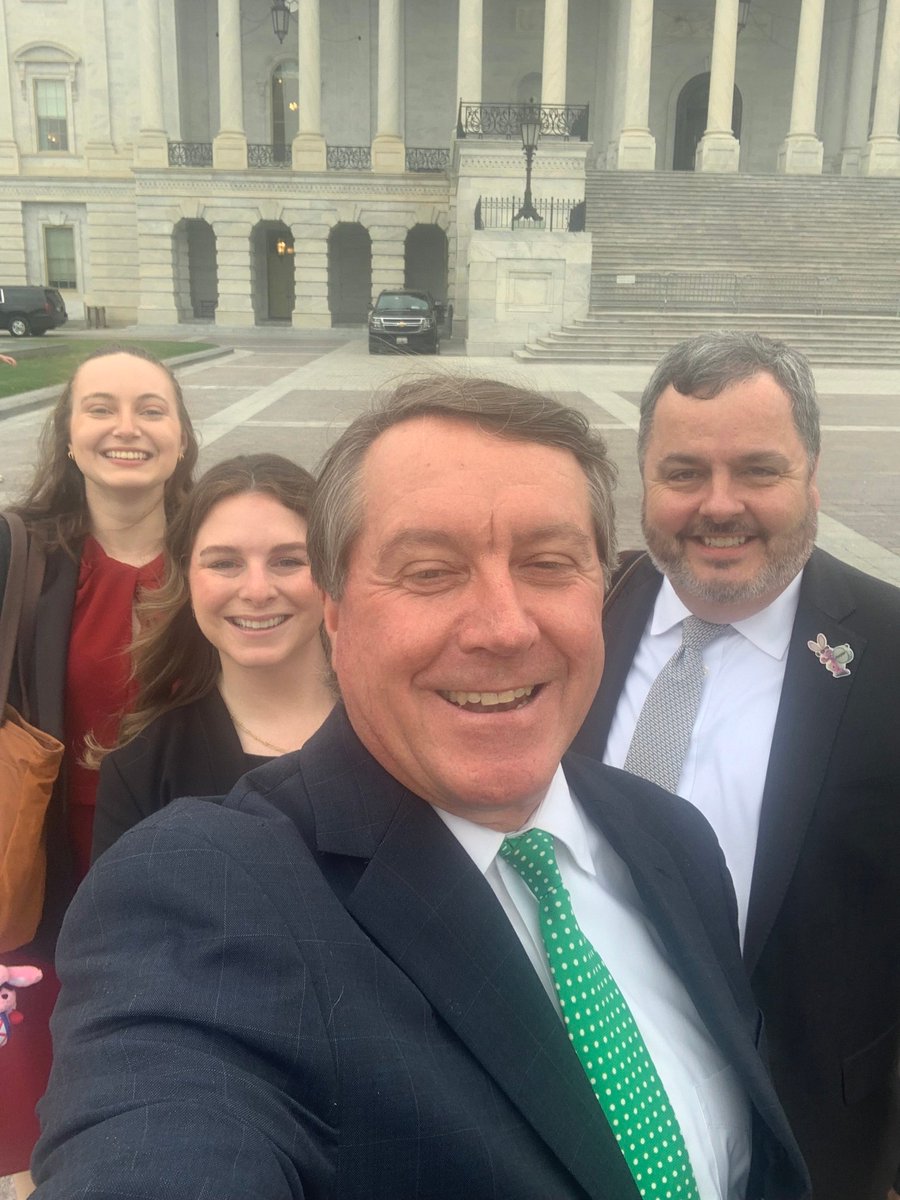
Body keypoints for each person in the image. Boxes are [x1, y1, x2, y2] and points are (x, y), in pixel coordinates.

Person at [31, 377, 808, 1200]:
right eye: (431, 572)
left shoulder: (672, 837)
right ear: (334, 612)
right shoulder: (203, 890)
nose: (505, 627)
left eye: (549, 563)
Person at [572, 331, 900, 1200]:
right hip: (577, 1106)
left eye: (759, 470)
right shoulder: (570, 624)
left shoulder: (893, 653)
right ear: (645, 478)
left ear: (812, 475)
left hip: (812, 1136)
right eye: (683, 474)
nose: (720, 505)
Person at [0, 345, 197, 1194]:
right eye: (102, 408)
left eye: (152, 409)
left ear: (183, 439)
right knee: (33, 1074)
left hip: (179, 853)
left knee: (167, 1057)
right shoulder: (22, 557)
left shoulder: (218, 557)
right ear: (69, 436)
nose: (128, 427)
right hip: (48, 859)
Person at [91, 453, 334, 861]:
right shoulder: (140, 772)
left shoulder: (397, 731)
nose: (257, 590)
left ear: (330, 572)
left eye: (288, 560)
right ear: (187, 578)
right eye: (224, 563)